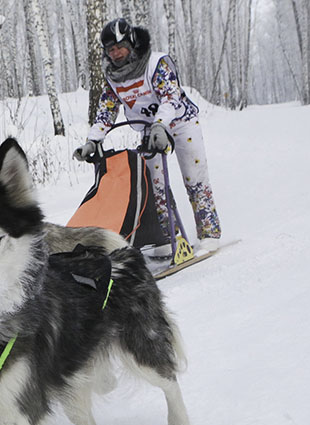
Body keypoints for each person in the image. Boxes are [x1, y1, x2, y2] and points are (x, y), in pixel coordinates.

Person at [74, 18, 222, 254]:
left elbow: (170, 97)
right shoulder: (113, 77)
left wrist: (161, 125)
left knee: (194, 177)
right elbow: (107, 110)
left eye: (120, 47)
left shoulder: (156, 63)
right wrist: (93, 140)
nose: (116, 53)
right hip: (148, 130)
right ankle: (169, 237)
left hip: (181, 122)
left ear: (131, 43)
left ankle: (209, 233)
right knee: (155, 186)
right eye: (111, 50)